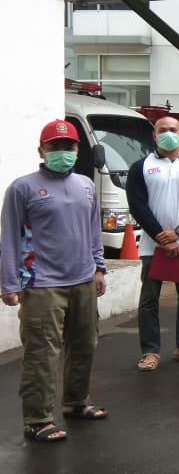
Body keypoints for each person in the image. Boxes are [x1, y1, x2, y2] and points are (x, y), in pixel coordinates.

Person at [1, 120, 108, 442]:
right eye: (55, 147)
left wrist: (99, 267)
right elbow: (9, 237)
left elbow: (93, 230)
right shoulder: (23, 187)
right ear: (41, 150)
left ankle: (76, 402)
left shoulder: (85, 185)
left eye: (68, 147)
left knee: (85, 344)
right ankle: (37, 419)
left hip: (83, 279)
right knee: (42, 353)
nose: (62, 152)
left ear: (77, 150)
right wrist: (9, 283)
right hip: (42, 283)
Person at [126, 116, 179, 371]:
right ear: (154, 136)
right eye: (162, 130)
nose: (167, 134)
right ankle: (150, 352)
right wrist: (161, 237)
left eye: (172, 130)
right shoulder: (141, 167)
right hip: (153, 245)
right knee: (149, 298)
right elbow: (137, 206)